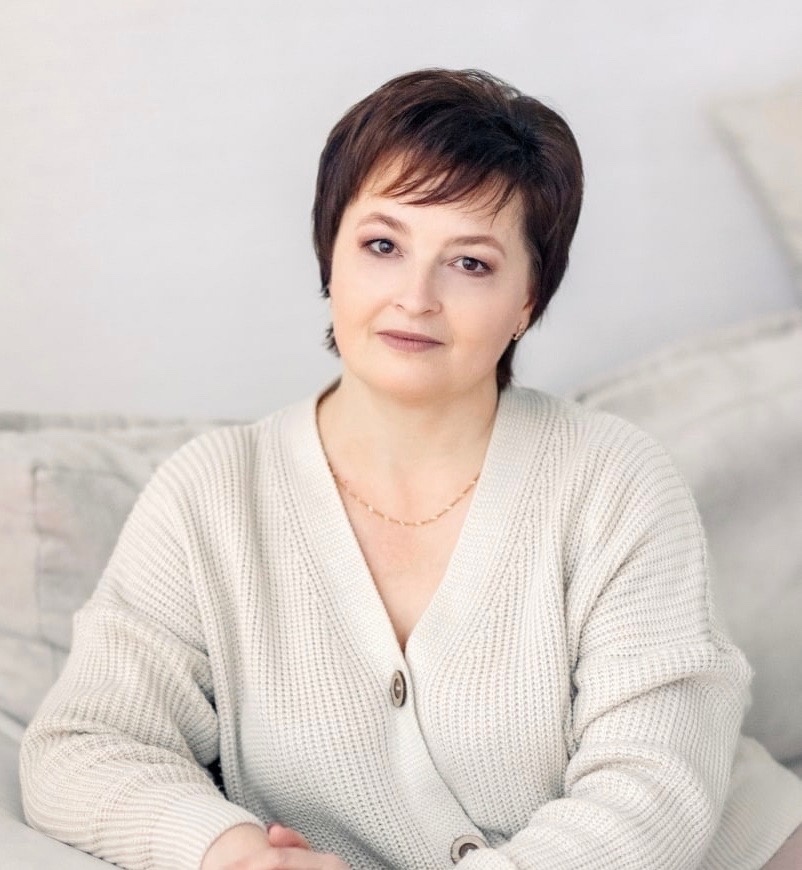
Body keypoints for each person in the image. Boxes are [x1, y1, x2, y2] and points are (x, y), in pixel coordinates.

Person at [19, 68, 802, 870]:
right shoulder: (210, 496)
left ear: (529, 299)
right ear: (331, 255)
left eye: (471, 263)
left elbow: (652, 790)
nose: (415, 297)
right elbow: (87, 744)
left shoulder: (616, 481)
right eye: (383, 246)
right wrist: (232, 851)